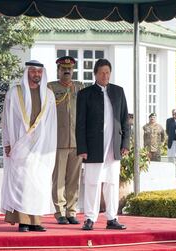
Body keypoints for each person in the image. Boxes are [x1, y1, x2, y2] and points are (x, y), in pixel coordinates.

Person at [1, 60, 57, 232]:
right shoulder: (14, 93)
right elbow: (6, 120)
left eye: (39, 71)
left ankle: (35, 220)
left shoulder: (49, 95)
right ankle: (23, 220)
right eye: (33, 71)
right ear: (27, 73)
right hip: (20, 145)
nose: (36, 74)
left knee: (38, 182)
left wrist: (49, 146)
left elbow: (52, 123)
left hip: (41, 147)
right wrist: (7, 142)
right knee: (22, 182)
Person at [76, 58, 130, 231]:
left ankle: (112, 218)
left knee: (112, 183)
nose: (105, 76)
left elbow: (124, 121)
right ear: (95, 74)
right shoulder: (85, 94)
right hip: (93, 147)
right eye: (102, 73)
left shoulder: (118, 92)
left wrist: (125, 143)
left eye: (108, 72)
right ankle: (90, 218)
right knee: (92, 182)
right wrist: (82, 148)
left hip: (113, 146)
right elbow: (80, 123)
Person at [48, 56, 85, 225]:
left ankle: (72, 210)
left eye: (70, 69)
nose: (67, 71)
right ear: (58, 70)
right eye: (64, 69)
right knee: (59, 179)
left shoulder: (80, 87)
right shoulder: (51, 88)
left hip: (77, 141)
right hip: (58, 140)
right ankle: (60, 211)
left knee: (74, 179)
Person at [166, 110, 176, 174]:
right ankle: (171, 172)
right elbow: (167, 130)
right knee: (171, 157)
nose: (175, 115)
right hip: (171, 141)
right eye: (174, 113)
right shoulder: (169, 120)